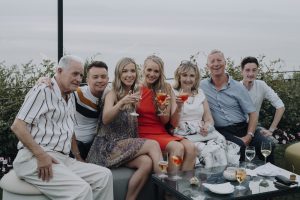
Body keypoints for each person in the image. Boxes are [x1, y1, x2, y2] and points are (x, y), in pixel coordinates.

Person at [11, 55, 113, 200]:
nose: (78, 79)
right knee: (81, 190)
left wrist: (78, 157)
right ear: (59, 71)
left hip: (62, 158)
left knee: (104, 176)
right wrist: (41, 155)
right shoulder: (43, 90)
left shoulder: (71, 96)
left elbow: (69, 129)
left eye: (81, 75)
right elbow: (17, 126)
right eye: (75, 74)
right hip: (33, 158)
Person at [86, 57, 162, 200]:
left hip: (125, 146)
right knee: (153, 145)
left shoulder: (135, 91)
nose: (129, 74)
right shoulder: (112, 93)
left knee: (146, 162)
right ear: (118, 74)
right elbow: (106, 118)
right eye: (125, 71)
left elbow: (153, 84)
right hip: (108, 147)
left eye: (132, 71)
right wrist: (121, 102)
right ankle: (168, 192)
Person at [200, 50, 275, 163]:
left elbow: (253, 113)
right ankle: (241, 178)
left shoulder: (238, 87)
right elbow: (184, 87)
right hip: (221, 130)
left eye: (219, 60)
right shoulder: (201, 86)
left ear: (225, 63)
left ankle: (271, 175)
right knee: (240, 146)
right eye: (212, 61)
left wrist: (249, 135)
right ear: (207, 66)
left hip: (242, 127)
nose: (216, 64)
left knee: (267, 145)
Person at [137, 55, 197, 172]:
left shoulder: (165, 88)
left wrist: (176, 107)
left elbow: (169, 123)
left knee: (191, 147)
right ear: (143, 69)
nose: (152, 74)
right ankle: (170, 187)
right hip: (143, 133)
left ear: (160, 73)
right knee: (178, 148)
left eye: (156, 71)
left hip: (162, 131)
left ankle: (182, 187)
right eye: (149, 70)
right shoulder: (136, 88)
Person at [172, 60, 228, 168]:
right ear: (179, 76)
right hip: (184, 133)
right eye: (184, 75)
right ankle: (202, 179)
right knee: (207, 152)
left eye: (192, 76)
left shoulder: (200, 93)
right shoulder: (173, 92)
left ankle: (219, 180)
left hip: (202, 132)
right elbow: (171, 120)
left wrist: (207, 126)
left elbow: (208, 118)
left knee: (220, 143)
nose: (188, 79)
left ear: (196, 78)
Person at [71, 61, 110, 161]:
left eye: (103, 77)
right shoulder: (77, 94)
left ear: (108, 79)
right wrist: (44, 80)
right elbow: (58, 88)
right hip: (76, 144)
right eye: (95, 77)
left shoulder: (110, 95)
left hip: (97, 144)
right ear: (87, 80)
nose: (100, 80)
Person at [240, 56, 285, 142]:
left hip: (254, 127)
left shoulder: (261, 85)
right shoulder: (236, 87)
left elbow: (280, 106)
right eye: (247, 70)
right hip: (237, 128)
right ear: (242, 71)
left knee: (270, 144)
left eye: (254, 70)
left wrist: (271, 130)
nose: (251, 73)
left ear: (257, 71)